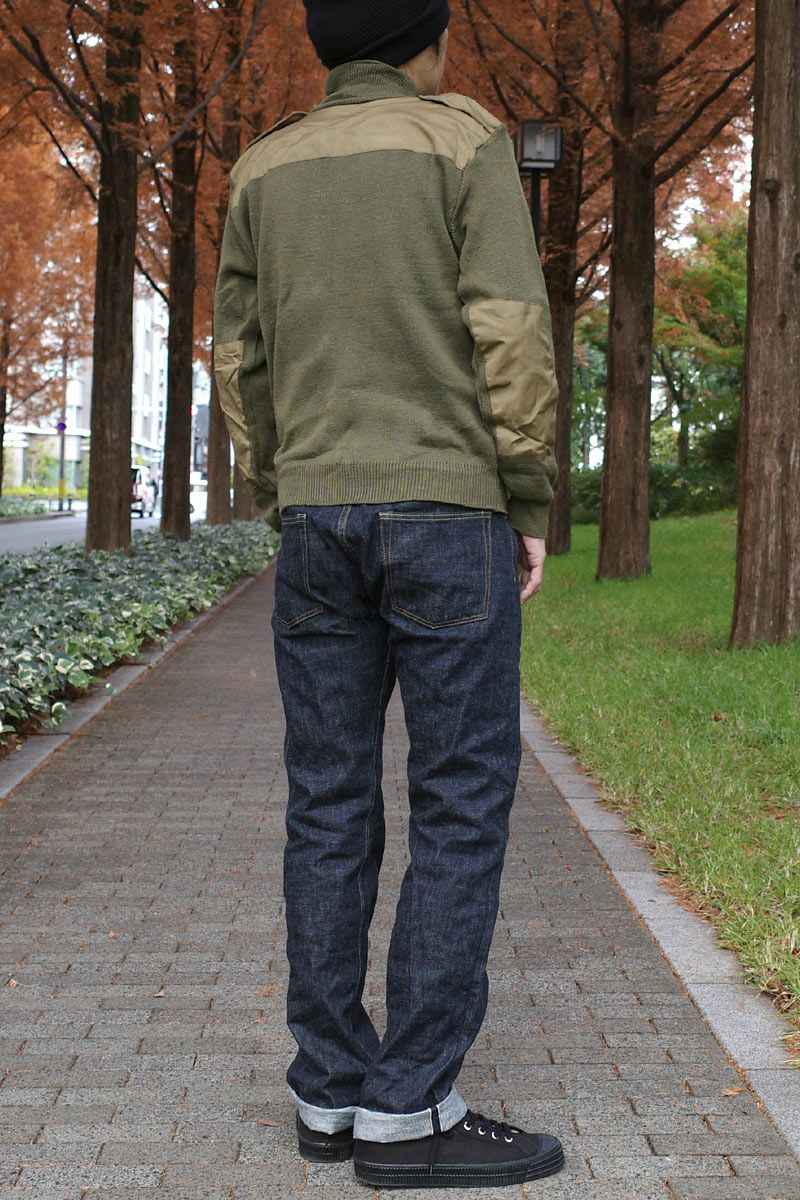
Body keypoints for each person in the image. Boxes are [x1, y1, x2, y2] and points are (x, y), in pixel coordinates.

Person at [213, 0, 564, 1188]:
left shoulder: (262, 167)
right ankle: (407, 1111)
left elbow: (237, 358)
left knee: (326, 804)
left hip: (317, 520)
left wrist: (285, 491)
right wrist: (526, 495)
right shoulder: (462, 139)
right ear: (431, 39)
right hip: (446, 512)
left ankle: (327, 1091)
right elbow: (507, 329)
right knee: (457, 800)